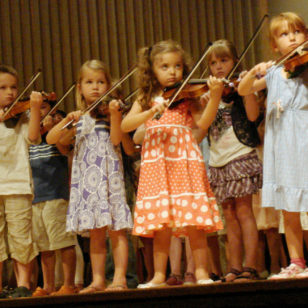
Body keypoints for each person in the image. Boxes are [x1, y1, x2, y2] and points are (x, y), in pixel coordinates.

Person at [121, 40, 223, 288]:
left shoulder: (188, 96)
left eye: (177, 66)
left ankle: (201, 272)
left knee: (193, 223)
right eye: (165, 66)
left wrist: (216, 95)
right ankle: (158, 275)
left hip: (184, 162)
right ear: (152, 70)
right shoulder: (146, 98)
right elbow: (126, 126)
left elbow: (204, 123)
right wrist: (150, 113)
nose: (172, 71)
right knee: (161, 225)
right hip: (158, 164)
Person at [46, 59, 133, 293]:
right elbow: (51, 139)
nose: (95, 87)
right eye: (89, 82)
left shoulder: (109, 114)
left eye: (100, 82)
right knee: (95, 233)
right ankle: (97, 280)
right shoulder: (80, 119)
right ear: (80, 88)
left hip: (109, 178)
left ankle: (120, 278)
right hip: (87, 183)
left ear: (108, 85)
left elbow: (116, 140)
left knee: (116, 229)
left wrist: (115, 116)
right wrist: (66, 121)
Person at [238, 12, 308, 279]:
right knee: (288, 208)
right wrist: (255, 71)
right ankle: (297, 262)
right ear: (274, 45)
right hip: (281, 144)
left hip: (303, 138)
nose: (292, 37)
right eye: (284, 34)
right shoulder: (275, 71)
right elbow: (244, 90)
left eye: (297, 31)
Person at [198, 39, 262, 282]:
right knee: (229, 214)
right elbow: (201, 127)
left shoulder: (242, 87)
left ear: (235, 61)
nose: (218, 67)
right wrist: (210, 99)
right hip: (218, 161)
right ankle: (233, 267)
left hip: (240, 155)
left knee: (245, 211)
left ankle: (251, 266)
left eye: (223, 60)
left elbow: (254, 116)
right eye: (213, 63)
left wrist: (247, 90)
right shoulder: (208, 94)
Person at [0, 65, 41, 297]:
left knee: (20, 236)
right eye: (3, 88)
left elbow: (33, 137)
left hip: (17, 184)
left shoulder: (21, 115)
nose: (10, 93)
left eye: (13, 87)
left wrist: (34, 108)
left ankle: (23, 284)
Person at [30, 98, 78, 296]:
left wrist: (56, 127)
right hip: (35, 197)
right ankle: (48, 285)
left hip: (56, 195)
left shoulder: (58, 131)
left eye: (44, 107)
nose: (40, 112)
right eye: (37, 108)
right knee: (44, 246)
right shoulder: (31, 135)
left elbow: (65, 149)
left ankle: (68, 284)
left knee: (63, 241)